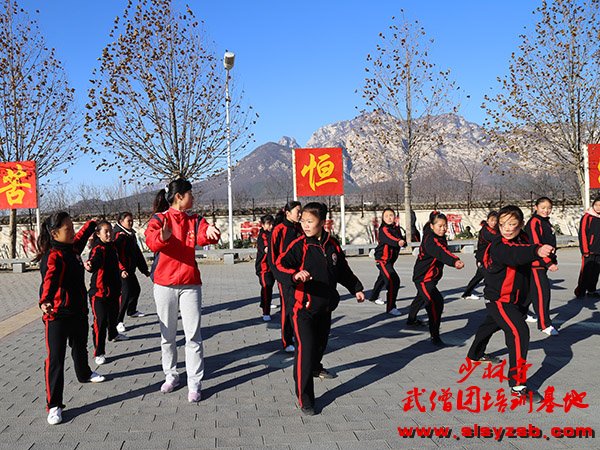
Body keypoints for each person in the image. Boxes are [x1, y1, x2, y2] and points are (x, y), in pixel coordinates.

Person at [275, 202, 365, 415]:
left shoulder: (332, 245)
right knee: (305, 351)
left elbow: (342, 270)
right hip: (302, 308)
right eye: (303, 221)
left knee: (319, 346)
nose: (305, 225)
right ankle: (306, 398)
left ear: (322, 223)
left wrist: (356, 288)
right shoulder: (299, 245)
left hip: (325, 308)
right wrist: (294, 276)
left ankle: (315, 367)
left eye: (310, 221)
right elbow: (278, 265)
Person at [467, 205, 554, 403]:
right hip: (499, 299)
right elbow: (516, 254)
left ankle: (475, 353)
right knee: (519, 332)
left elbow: (529, 253)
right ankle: (518, 386)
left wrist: (548, 258)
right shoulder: (499, 245)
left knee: (491, 325)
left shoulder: (523, 238)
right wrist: (537, 250)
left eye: (512, 224)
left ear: (521, 225)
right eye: (502, 224)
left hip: (517, 301)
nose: (507, 228)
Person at [145, 178, 220, 403]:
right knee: (167, 335)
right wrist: (163, 236)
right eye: (190, 194)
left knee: (193, 336)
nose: (193, 198)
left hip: (189, 284)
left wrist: (212, 233)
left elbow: (203, 233)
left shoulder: (194, 220)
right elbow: (151, 241)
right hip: (164, 284)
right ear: (179, 196)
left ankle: (194, 383)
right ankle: (171, 374)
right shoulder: (159, 219)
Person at [35, 213, 105, 425]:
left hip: (78, 311)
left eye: (72, 227)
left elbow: (82, 236)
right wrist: (45, 300)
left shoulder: (72, 249)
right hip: (57, 315)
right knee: (56, 359)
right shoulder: (54, 256)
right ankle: (54, 405)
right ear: (55, 233)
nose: (72, 231)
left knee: (79, 347)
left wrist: (92, 223)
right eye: (68, 229)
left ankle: (84, 374)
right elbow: (50, 279)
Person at [407, 211, 464, 346]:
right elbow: (441, 252)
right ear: (432, 226)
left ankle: (411, 319)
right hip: (423, 278)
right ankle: (435, 336)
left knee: (421, 297)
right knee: (435, 302)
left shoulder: (439, 237)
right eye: (439, 226)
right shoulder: (431, 240)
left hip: (431, 277)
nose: (443, 228)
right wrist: (455, 261)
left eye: (445, 226)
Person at [85, 221, 129, 366]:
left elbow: (118, 258)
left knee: (113, 317)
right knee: (100, 321)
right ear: (98, 234)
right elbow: (94, 260)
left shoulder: (112, 246)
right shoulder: (99, 248)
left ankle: (114, 334)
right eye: (106, 232)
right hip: (99, 293)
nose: (109, 234)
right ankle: (99, 352)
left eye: (111, 231)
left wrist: (122, 270)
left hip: (114, 290)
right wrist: (90, 265)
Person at [269, 201, 302, 353]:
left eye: (300, 212)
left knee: (298, 306)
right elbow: (272, 255)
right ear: (288, 213)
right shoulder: (278, 229)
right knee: (287, 307)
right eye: (298, 212)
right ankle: (286, 340)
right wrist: (278, 274)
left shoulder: (298, 228)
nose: (300, 215)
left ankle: (295, 335)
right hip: (284, 275)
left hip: (299, 274)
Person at [524, 197, 559, 335]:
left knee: (530, 293)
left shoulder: (545, 222)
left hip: (542, 263)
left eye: (549, 208)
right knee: (542, 293)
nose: (546, 210)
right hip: (535, 264)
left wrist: (553, 258)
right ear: (536, 207)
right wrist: (548, 262)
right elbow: (536, 245)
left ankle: (521, 313)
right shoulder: (534, 222)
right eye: (543, 207)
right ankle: (545, 324)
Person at [114, 211, 150, 333]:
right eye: (128, 221)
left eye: (132, 220)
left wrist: (144, 269)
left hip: (130, 270)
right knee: (125, 294)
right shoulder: (118, 236)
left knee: (136, 289)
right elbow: (115, 256)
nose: (131, 222)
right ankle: (118, 321)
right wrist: (121, 269)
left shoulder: (130, 234)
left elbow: (137, 253)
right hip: (122, 271)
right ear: (121, 221)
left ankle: (132, 311)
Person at [368, 208, 406, 315]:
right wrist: (399, 242)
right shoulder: (384, 229)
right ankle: (391, 307)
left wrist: (403, 242)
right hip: (382, 260)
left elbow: (401, 238)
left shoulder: (396, 228)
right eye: (386, 216)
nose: (389, 218)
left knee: (382, 278)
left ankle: (373, 296)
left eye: (391, 215)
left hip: (390, 260)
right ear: (383, 218)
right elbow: (390, 239)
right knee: (393, 281)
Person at [461, 211, 499, 300]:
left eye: (495, 221)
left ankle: (467, 293)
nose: (493, 223)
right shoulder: (485, 231)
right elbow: (495, 238)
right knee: (487, 276)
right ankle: (489, 295)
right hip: (483, 258)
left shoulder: (495, 230)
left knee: (479, 277)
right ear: (488, 221)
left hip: (489, 258)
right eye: (492, 220)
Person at [574, 196, 600, 298]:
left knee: (595, 272)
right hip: (589, 250)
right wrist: (585, 250)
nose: (598, 208)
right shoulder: (587, 217)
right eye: (596, 205)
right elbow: (583, 234)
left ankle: (591, 290)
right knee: (585, 272)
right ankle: (580, 291)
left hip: (599, 250)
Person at [255, 214, 275, 321]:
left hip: (272, 266)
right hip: (263, 267)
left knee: (269, 286)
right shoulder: (262, 235)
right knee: (266, 286)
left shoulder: (272, 233)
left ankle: (265, 303)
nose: (271, 226)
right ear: (262, 225)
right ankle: (266, 312)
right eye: (268, 224)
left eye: (272, 224)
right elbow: (267, 249)